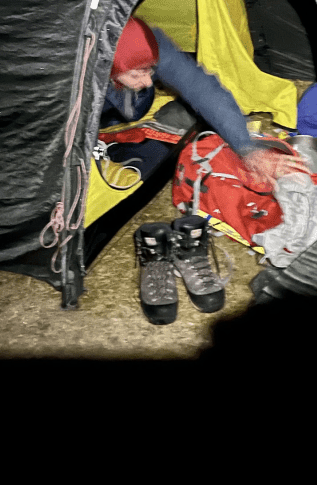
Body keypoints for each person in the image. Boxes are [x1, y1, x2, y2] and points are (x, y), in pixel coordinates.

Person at [104, 16, 301, 325]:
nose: (149, 80)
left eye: (150, 70)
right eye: (138, 73)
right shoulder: (71, 65)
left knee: (178, 120)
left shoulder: (147, 41)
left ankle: (182, 248)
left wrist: (248, 148)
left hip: (122, 89)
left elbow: (201, 88)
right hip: (89, 97)